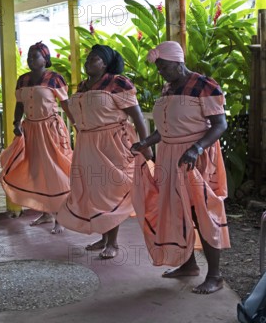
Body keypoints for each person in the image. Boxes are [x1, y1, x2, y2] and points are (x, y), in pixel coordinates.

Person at [130, 41, 229, 294]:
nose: (160, 71)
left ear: (177, 61)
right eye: (158, 67)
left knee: (201, 212)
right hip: (169, 157)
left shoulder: (204, 85)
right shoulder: (168, 88)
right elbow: (164, 129)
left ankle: (215, 276)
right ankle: (188, 265)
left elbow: (219, 125)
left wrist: (196, 148)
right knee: (176, 210)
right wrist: (145, 142)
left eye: (163, 66)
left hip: (194, 157)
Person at [55, 45, 152, 259]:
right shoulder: (82, 86)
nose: (88, 62)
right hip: (87, 143)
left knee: (110, 191)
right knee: (94, 191)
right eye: (88, 58)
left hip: (112, 143)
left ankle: (113, 243)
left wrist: (145, 145)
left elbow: (137, 117)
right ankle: (104, 237)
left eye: (95, 59)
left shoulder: (118, 83)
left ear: (105, 63)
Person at [0, 42, 73, 234]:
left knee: (55, 172)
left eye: (35, 56)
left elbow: (66, 105)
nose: (31, 60)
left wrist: (78, 125)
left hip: (50, 130)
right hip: (30, 130)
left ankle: (61, 217)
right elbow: (20, 104)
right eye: (29, 56)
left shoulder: (55, 79)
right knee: (36, 171)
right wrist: (16, 123)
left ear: (45, 59)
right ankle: (47, 212)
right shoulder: (22, 80)